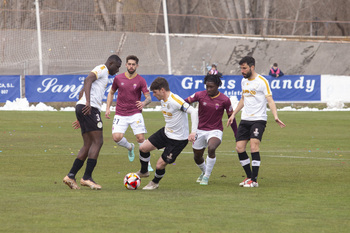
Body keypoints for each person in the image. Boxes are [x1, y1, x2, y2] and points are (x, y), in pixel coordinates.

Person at [63, 54, 122, 190]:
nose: (117, 70)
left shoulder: (103, 73)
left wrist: (80, 115)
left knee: (88, 144)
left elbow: (82, 91)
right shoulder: (101, 68)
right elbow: (87, 80)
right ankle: (86, 177)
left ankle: (71, 176)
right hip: (90, 108)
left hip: (82, 107)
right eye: (117, 67)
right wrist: (88, 103)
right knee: (98, 141)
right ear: (111, 63)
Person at [227, 56, 286, 188]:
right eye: (241, 68)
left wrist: (275, 116)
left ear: (252, 67)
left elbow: (270, 100)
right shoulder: (244, 82)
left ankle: (254, 180)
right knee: (239, 148)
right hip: (245, 119)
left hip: (258, 119)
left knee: (254, 146)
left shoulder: (262, 81)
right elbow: (243, 99)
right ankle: (249, 177)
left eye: (244, 68)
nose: (242, 71)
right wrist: (233, 114)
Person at [137, 77, 198, 190]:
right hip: (166, 132)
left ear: (162, 90)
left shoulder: (175, 100)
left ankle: (155, 182)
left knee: (160, 164)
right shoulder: (162, 99)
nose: (154, 95)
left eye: (155, 92)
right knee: (143, 148)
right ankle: (144, 171)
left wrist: (193, 132)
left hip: (178, 139)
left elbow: (193, 111)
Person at [185, 74, 237, 185]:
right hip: (200, 130)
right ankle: (204, 172)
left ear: (218, 86)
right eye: (207, 86)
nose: (208, 89)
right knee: (197, 156)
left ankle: (206, 177)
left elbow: (231, 117)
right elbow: (184, 102)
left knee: (211, 148)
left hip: (215, 130)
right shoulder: (199, 95)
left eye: (211, 87)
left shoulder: (225, 100)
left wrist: (237, 133)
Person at [105, 55, 153, 171]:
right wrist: (108, 108)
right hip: (120, 113)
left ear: (137, 66)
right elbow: (111, 93)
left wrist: (143, 103)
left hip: (135, 113)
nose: (131, 66)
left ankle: (147, 163)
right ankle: (130, 147)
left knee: (140, 138)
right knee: (116, 138)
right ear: (126, 65)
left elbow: (149, 98)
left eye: (133, 64)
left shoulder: (141, 80)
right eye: (129, 64)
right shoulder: (118, 78)